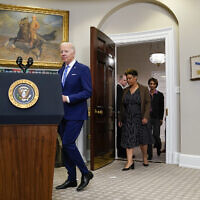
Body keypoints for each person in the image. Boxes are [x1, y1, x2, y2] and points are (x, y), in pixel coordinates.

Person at [56, 42, 93, 192]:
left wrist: (68, 98)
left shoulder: (83, 69)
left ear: (73, 52)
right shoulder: (60, 71)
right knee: (65, 147)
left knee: (67, 143)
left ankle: (85, 172)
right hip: (61, 114)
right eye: (61, 52)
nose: (63, 54)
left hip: (76, 113)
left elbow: (87, 92)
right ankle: (71, 179)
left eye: (66, 51)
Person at [118, 69, 152, 170]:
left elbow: (147, 103)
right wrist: (120, 119)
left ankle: (145, 157)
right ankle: (129, 162)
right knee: (129, 139)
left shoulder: (144, 89)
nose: (128, 80)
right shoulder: (125, 91)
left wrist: (146, 116)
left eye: (130, 78)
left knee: (143, 140)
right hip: (128, 118)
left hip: (140, 118)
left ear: (135, 77)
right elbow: (122, 106)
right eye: (127, 79)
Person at [147, 77, 164, 160]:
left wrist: (161, 118)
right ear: (149, 85)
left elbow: (162, 107)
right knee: (149, 135)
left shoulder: (160, 95)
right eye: (151, 84)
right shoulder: (146, 94)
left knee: (156, 135)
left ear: (156, 85)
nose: (152, 85)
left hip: (157, 118)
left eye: (154, 84)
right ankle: (149, 154)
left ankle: (158, 147)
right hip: (148, 117)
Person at [117, 74, 127, 158]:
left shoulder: (120, 88)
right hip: (120, 115)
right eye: (124, 80)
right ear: (120, 80)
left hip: (121, 115)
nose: (126, 82)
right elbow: (120, 104)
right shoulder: (118, 88)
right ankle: (121, 153)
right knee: (121, 135)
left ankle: (123, 152)